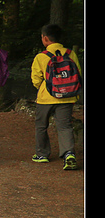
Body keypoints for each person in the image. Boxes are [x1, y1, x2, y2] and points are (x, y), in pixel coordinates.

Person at [31, 24, 82, 170]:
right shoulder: (71, 54)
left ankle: (42, 154)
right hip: (67, 97)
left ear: (45, 38)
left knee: (41, 125)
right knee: (64, 126)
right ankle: (69, 154)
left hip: (46, 98)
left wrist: (43, 88)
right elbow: (78, 74)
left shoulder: (41, 56)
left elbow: (36, 79)